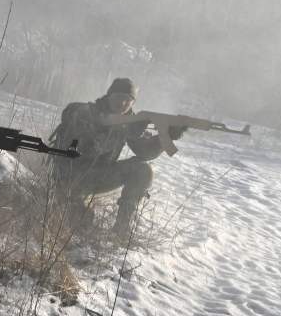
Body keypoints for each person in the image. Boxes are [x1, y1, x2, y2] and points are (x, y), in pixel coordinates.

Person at [48, 78, 185, 237]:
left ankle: (121, 230)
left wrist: (166, 136)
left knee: (142, 170)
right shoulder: (86, 113)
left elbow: (144, 152)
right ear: (109, 96)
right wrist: (122, 129)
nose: (123, 103)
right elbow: (85, 146)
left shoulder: (128, 121)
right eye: (119, 97)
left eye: (128, 100)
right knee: (80, 223)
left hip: (99, 176)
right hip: (69, 178)